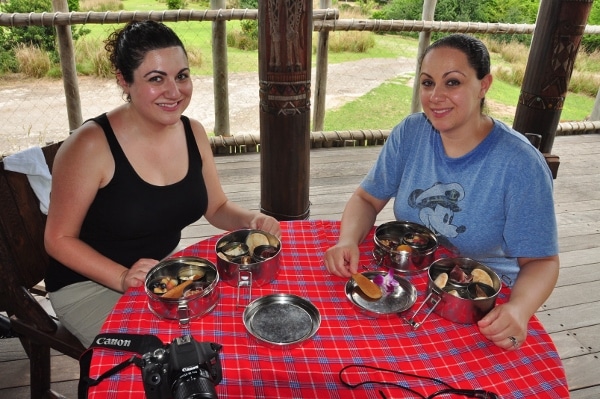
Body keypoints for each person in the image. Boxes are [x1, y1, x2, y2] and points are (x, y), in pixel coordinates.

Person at [44, 20, 280, 348]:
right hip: (88, 287)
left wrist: (249, 220)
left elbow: (217, 207)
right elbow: (58, 239)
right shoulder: (89, 145)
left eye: (181, 76)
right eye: (156, 79)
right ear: (123, 80)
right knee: (168, 360)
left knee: (233, 331)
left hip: (161, 276)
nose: (174, 91)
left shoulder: (192, 132)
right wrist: (122, 277)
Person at [324, 34, 559, 351]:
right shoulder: (411, 132)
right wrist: (347, 240)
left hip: (482, 304)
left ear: (484, 85)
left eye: (452, 83)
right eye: (427, 82)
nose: (435, 96)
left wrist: (518, 309)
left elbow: (542, 262)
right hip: (411, 280)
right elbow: (367, 198)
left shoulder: (519, 164)